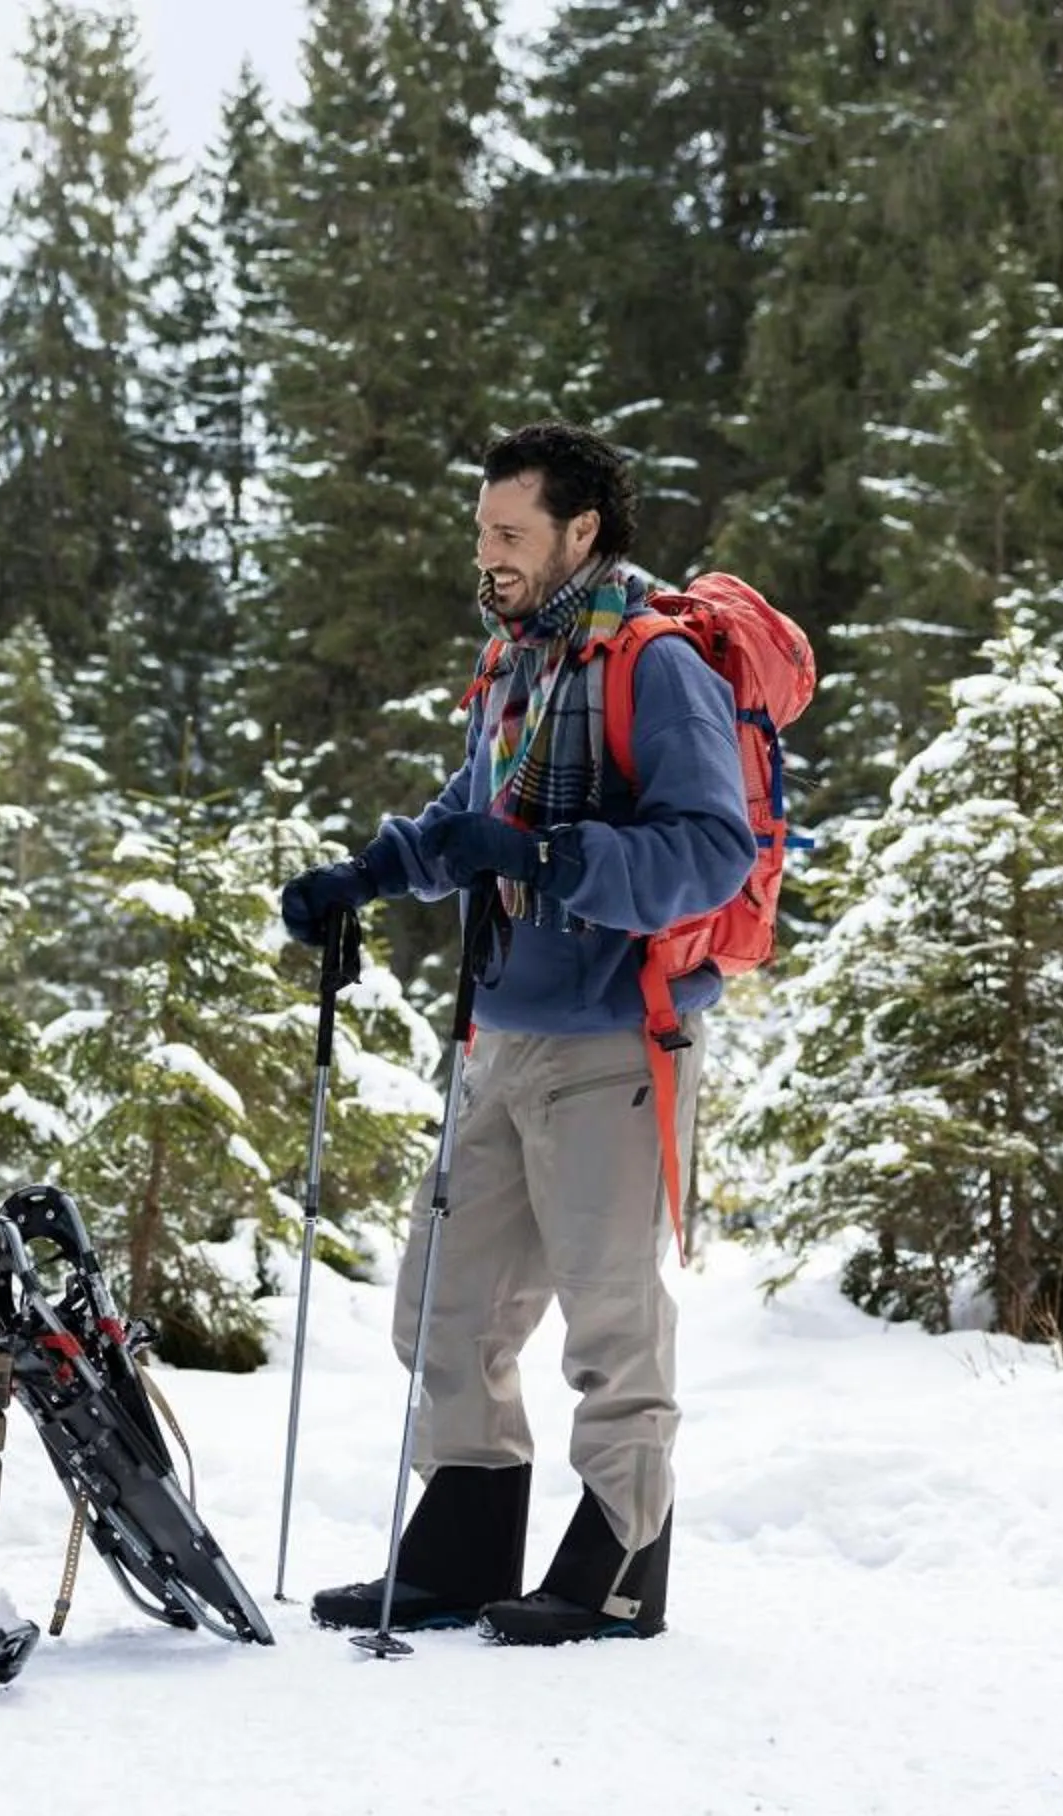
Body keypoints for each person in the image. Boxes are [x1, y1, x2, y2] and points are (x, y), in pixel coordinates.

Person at [279, 423, 757, 1645]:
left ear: (580, 531)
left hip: (614, 1040)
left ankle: (616, 1563)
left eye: (509, 534)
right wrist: (366, 874)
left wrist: (549, 856)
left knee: (610, 1317)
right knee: (446, 1306)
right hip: (502, 1033)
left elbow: (712, 852)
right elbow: (467, 812)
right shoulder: (521, 659)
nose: (486, 555)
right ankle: (465, 1536)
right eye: (481, 531)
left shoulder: (655, 665)